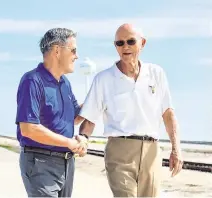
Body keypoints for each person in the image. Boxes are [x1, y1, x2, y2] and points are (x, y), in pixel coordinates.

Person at [78, 23, 183, 197]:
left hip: (152, 151)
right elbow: (90, 117)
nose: (125, 47)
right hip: (120, 152)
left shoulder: (157, 73)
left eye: (130, 41)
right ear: (115, 46)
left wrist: (176, 149)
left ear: (142, 43)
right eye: (120, 43)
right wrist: (83, 138)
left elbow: (168, 114)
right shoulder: (103, 79)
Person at [15, 27, 88, 198]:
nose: (76, 56)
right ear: (57, 50)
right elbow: (28, 128)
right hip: (40, 162)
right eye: (74, 50)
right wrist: (69, 143)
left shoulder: (65, 83)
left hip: (66, 163)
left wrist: (99, 99)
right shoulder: (32, 81)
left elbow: (75, 118)